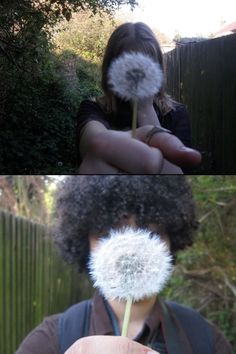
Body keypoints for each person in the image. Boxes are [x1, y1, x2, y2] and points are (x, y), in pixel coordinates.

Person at [16, 176, 232, 354]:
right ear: (85, 243)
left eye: (150, 233)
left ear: (171, 241)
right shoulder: (49, 341)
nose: (130, 250)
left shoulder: (206, 340)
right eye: (109, 234)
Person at [76, 22, 201, 174]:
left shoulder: (176, 113)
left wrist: (144, 107)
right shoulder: (95, 108)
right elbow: (93, 142)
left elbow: (178, 175)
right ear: (111, 68)